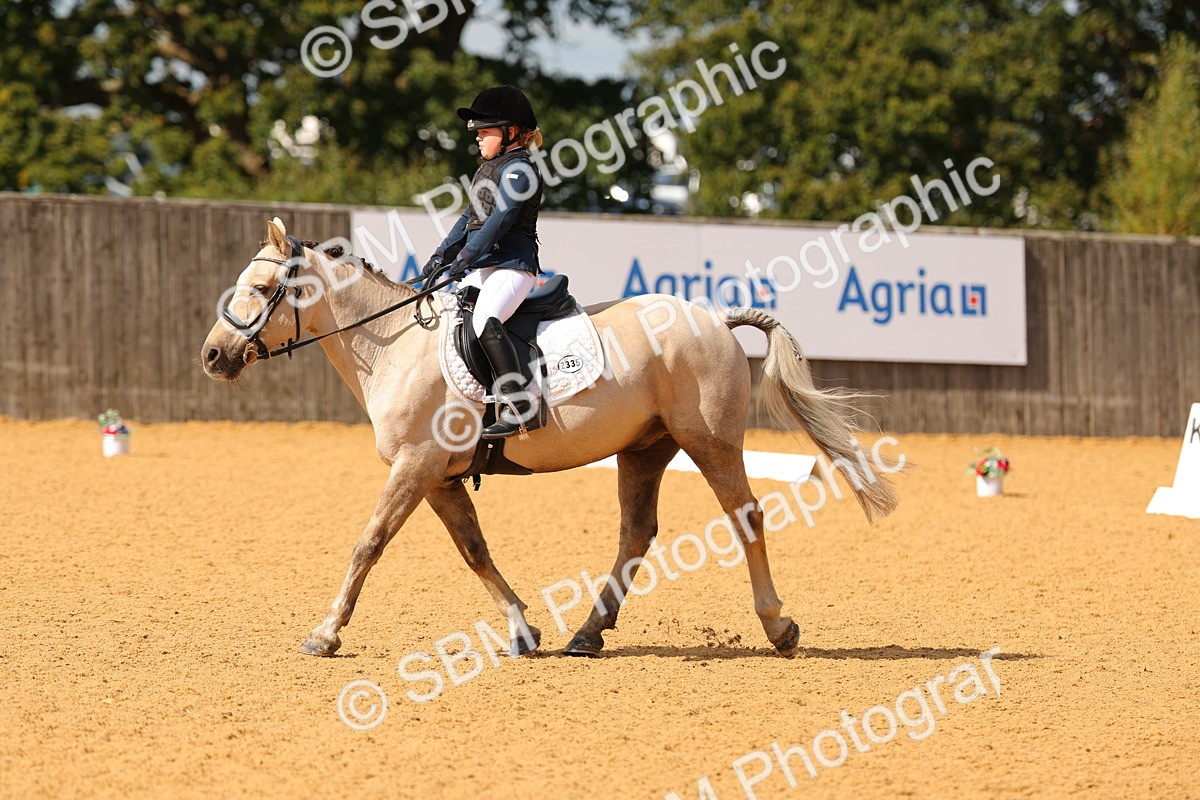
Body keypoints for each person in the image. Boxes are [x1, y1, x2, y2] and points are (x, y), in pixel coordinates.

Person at [422, 85, 545, 439]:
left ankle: (522, 405)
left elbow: (500, 220)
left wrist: (465, 258)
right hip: (486, 267)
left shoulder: (520, 170)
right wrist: (439, 257)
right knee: (449, 317)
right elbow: (466, 221)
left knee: (485, 319)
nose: (477, 137)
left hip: (513, 266)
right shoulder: (489, 169)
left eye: (485, 131)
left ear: (511, 133)